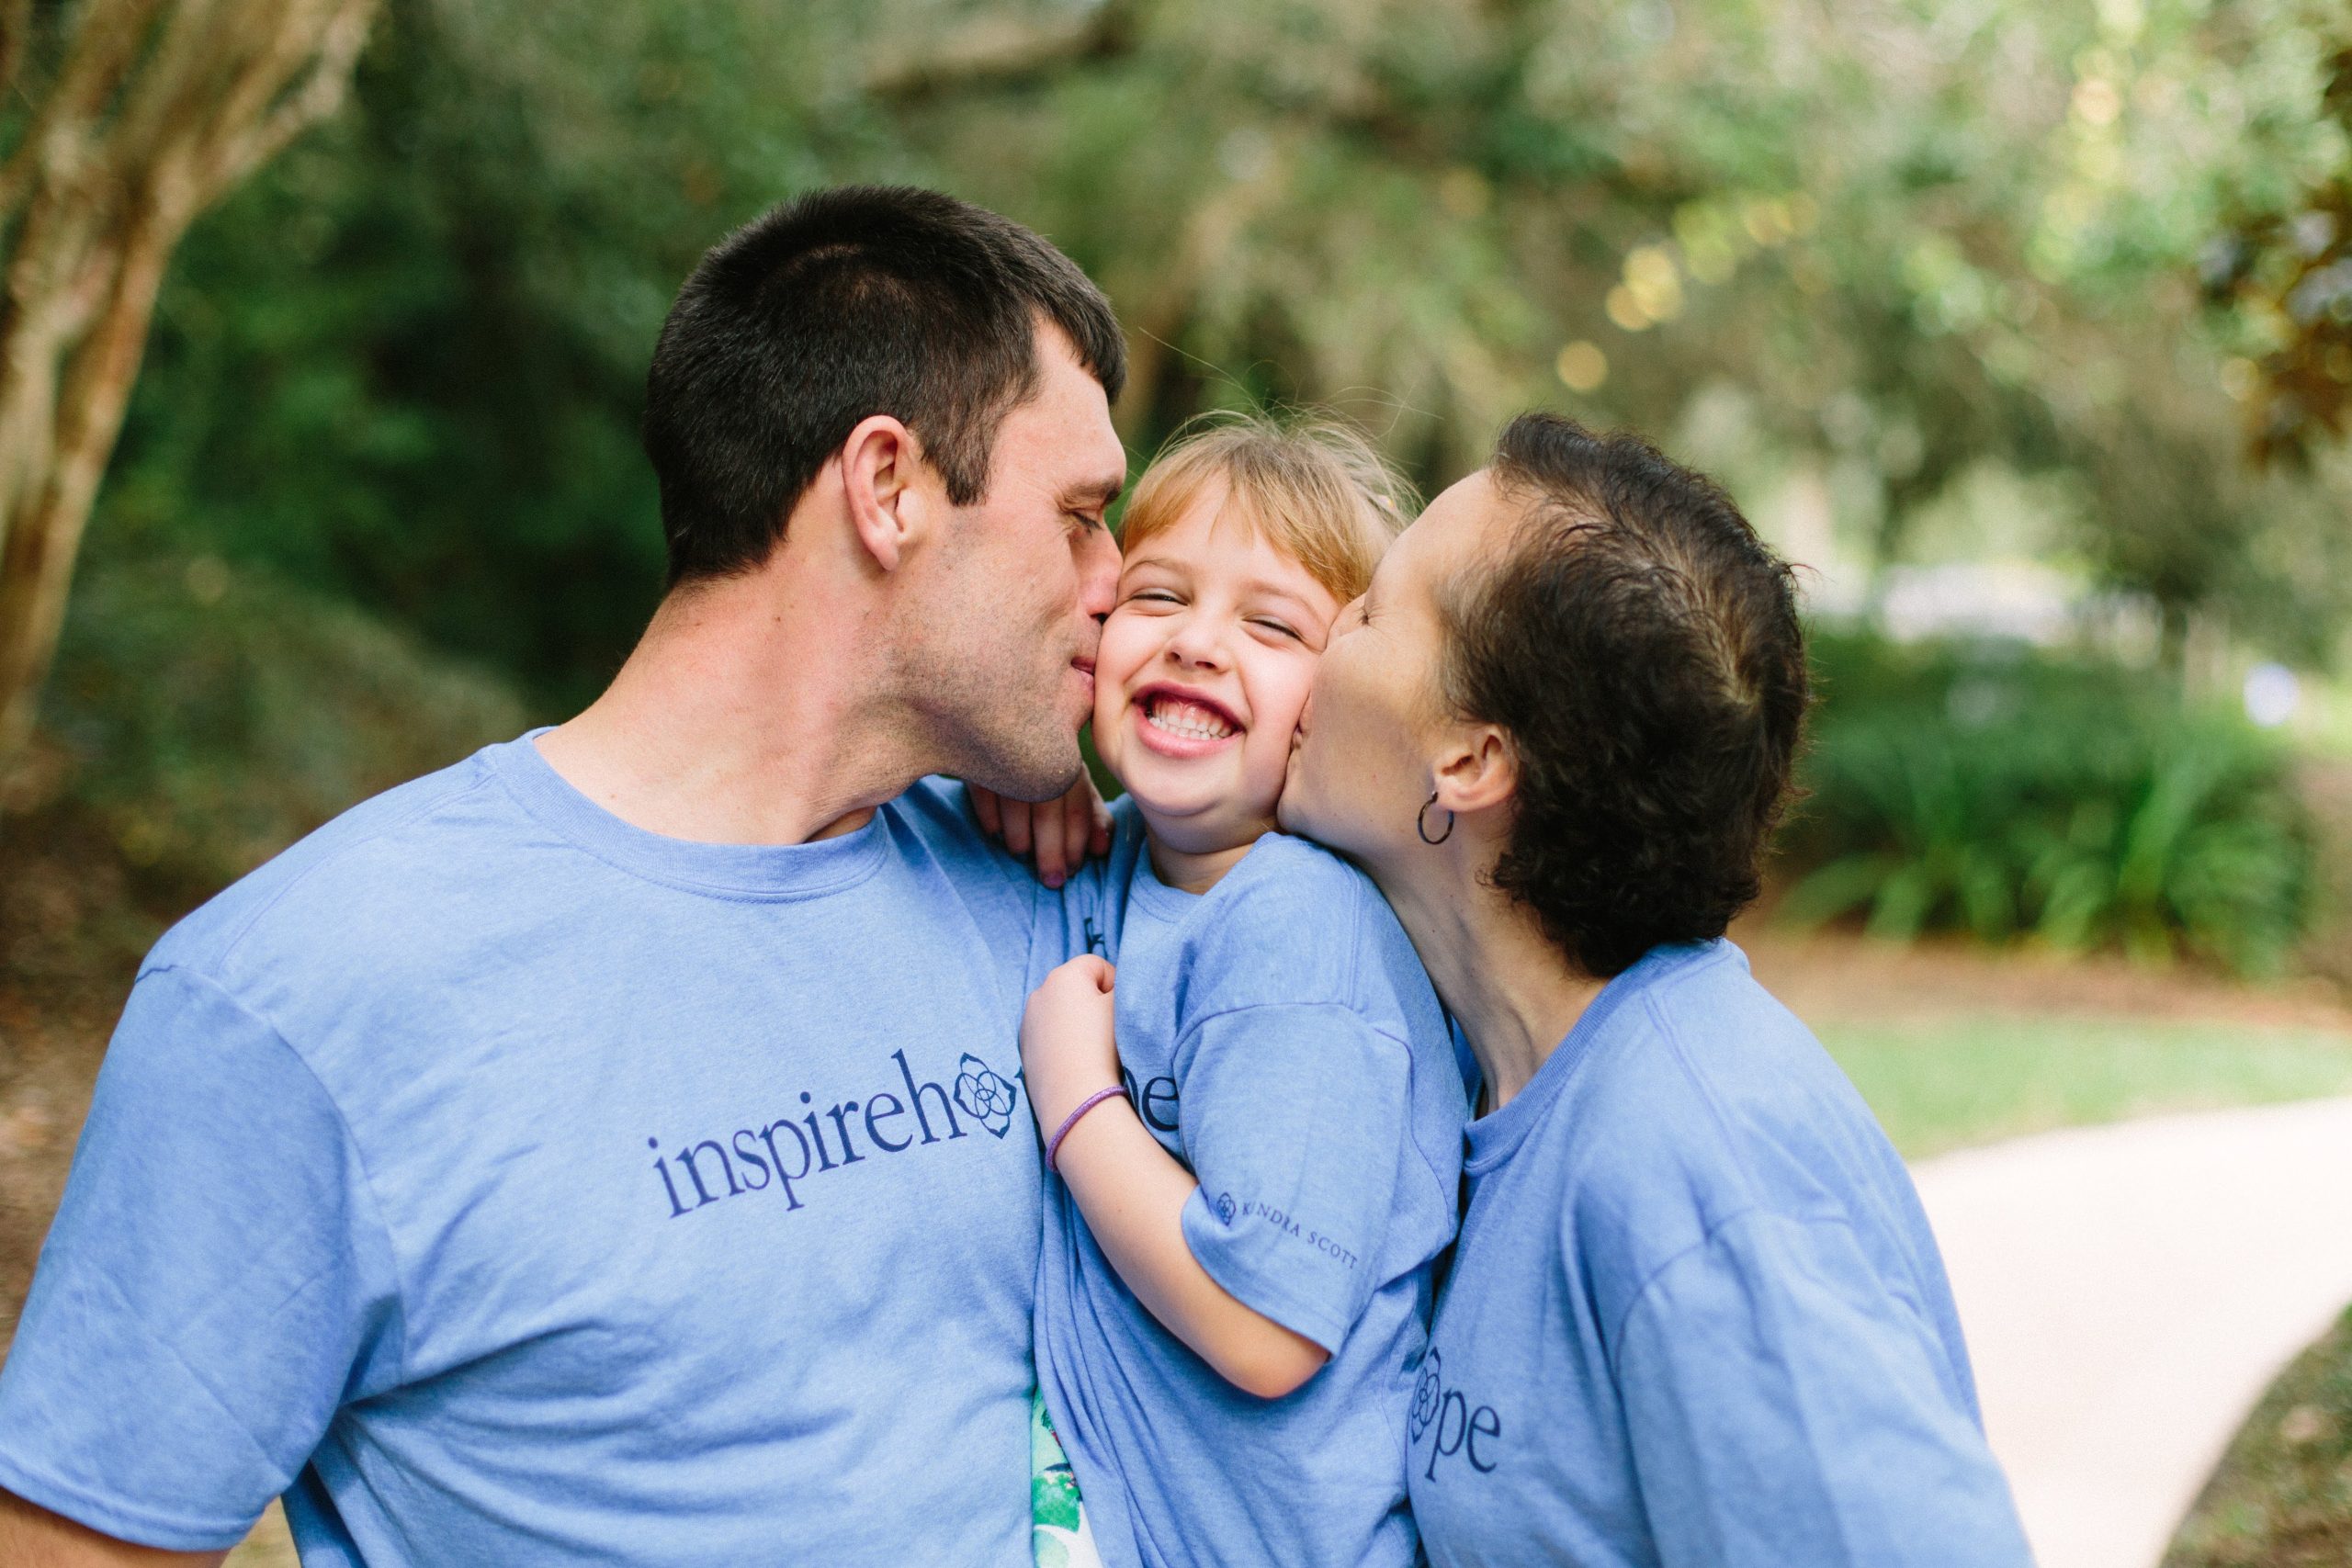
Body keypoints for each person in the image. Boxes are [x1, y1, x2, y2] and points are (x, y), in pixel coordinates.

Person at [0, 186, 1127, 1566]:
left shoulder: (1067, 898)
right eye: (1080, 514)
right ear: (887, 486)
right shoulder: (308, 992)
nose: (1118, 579)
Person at [1278, 412, 2035, 1566]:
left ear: (1471, 761)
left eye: (1372, 610)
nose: (1323, 629)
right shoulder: (1481, 1077)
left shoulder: (1699, 1162)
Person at [1015, 415, 1467, 1568]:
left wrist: (1076, 1103)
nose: (1199, 645)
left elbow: (1266, 1327)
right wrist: (1015, 777)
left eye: (1272, 625)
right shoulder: (1121, 860)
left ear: (1340, 701)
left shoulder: (1295, 925)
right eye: (1158, 598)